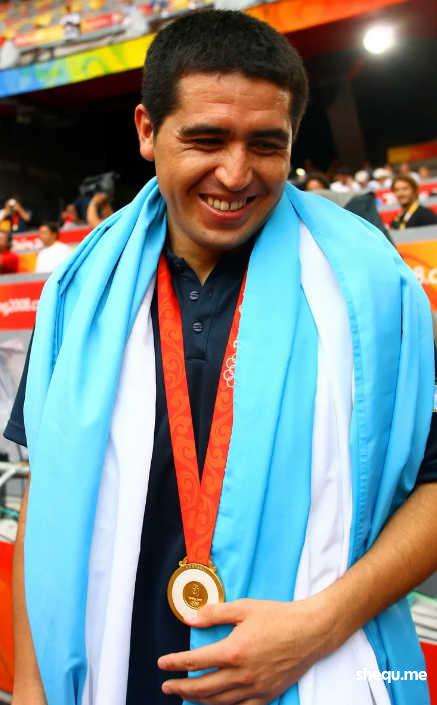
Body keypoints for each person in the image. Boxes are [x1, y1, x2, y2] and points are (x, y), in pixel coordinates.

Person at [7, 11, 437, 705]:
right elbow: (45, 492)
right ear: (147, 130)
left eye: (265, 145)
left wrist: (318, 626)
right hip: (116, 677)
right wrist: (31, 688)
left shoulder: (372, 287)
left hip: (312, 672)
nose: (235, 175)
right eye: (206, 139)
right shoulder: (79, 291)